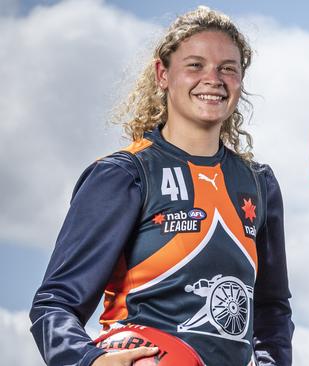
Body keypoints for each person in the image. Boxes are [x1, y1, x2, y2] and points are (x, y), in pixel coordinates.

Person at [30, 6, 293, 366]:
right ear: (162, 74)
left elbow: (271, 309)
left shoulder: (259, 183)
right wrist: (89, 360)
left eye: (227, 68)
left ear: (240, 80)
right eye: (195, 65)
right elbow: (55, 303)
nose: (213, 78)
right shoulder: (124, 175)